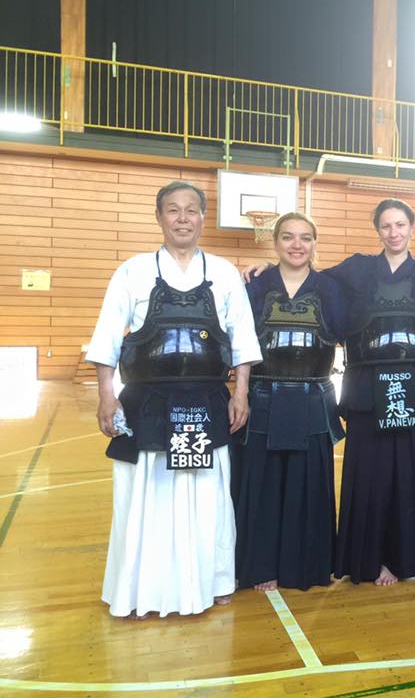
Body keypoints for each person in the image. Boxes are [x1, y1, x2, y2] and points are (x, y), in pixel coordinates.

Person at [87, 181, 261, 618]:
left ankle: (213, 579)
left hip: (206, 400)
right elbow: (107, 336)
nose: (183, 218)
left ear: (203, 217)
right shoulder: (133, 271)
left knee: (207, 493)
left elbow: (242, 338)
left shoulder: (223, 272)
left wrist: (240, 392)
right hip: (146, 401)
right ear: (159, 217)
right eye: (173, 210)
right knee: (146, 493)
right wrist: (106, 395)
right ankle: (140, 587)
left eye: (191, 210)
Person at [328, 198, 415, 585]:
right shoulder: (358, 268)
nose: (394, 233)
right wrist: (267, 271)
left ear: (412, 228)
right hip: (367, 385)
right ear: (377, 230)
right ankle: (370, 560)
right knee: (371, 474)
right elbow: (313, 280)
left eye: (400, 225)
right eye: (386, 226)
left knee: (413, 474)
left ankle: (408, 558)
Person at [232, 212, 345, 592]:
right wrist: (239, 391)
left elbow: (348, 331)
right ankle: (261, 564)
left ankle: (306, 566)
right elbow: (238, 339)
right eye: (288, 237)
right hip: (263, 396)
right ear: (275, 242)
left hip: (314, 397)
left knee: (307, 485)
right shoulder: (255, 286)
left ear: (315, 243)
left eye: (305, 238)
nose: (297, 245)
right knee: (262, 484)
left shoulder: (331, 288)